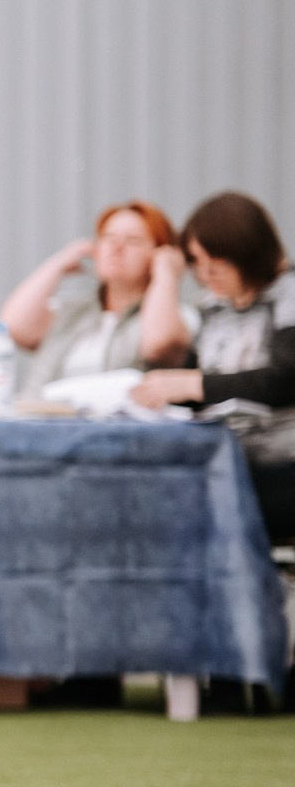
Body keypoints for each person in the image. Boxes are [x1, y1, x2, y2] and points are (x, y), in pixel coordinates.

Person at [132, 193, 295, 537]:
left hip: (280, 460)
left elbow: (286, 378)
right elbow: (188, 383)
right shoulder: (214, 307)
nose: (205, 274)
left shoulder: (288, 294)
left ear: (247, 251)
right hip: (222, 457)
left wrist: (195, 384)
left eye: (216, 261)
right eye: (196, 262)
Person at [0, 200, 196, 397]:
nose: (116, 247)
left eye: (133, 240)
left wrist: (167, 273)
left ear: (159, 253)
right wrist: (58, 264)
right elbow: (13, 326)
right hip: (42, 414)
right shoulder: (69, 312)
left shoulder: (180, 316)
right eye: (108, 237)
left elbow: (159, 345)